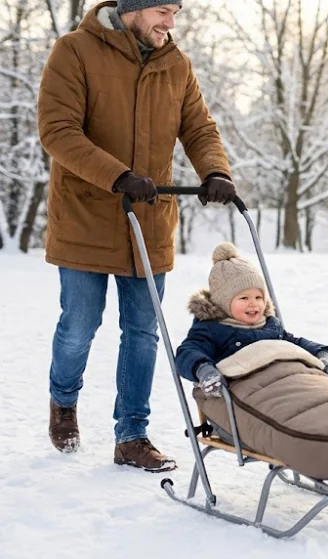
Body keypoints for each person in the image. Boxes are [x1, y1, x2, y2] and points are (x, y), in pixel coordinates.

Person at [37, 0, 237, 471]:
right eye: (163, 12)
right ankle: (63, 400)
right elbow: (57, 131)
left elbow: (199, 127)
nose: (171, 24)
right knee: (80, 325)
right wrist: (118, 175)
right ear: (133, 8)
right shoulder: (75, 51)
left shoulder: (175, 63)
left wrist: (215, 170)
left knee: (143, 332)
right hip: (87, 216)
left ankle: (132, 436)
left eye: (175, 14)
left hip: (147, 220)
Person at [175, 243, 328, 396]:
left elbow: (294, 343)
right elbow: (188, 352)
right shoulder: (213, 329)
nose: (253, 303)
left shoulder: (271, 325)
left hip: (287, 382)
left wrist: (320, 352)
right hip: (249, 391)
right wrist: (203, 369)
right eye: (244, 298)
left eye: (259, 297)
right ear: (223, 303)